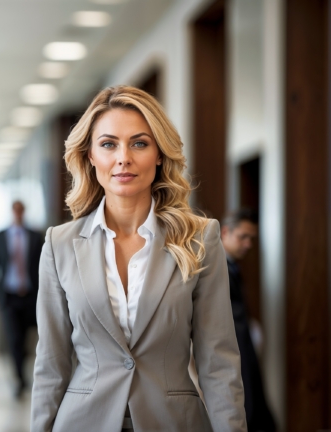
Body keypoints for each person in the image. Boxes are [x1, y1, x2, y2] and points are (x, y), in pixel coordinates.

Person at [31, 86, 246, 431]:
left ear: (159, 154)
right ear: (89, 155)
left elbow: (217, 361)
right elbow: (51, 362)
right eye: (108, 144)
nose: (123, 158)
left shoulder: (199, 239)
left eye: (139, 143)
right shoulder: (60, 244)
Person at [221, 209, 276, 432]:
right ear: (225, 232)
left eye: (251, 239)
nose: (248, 244)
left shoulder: (233, 267)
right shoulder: (218, 269)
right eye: (242, 237)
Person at [0, 201, 45, 399]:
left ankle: (29, 374)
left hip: (31, 295)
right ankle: (19, 379)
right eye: (15, 211)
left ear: (24, 212)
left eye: (21, 211)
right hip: (8, 296)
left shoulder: (36, 237)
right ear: (12, 212)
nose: (18, 214)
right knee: (14, 339)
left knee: (32, 339)